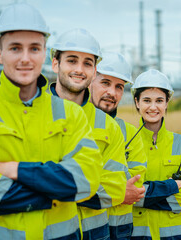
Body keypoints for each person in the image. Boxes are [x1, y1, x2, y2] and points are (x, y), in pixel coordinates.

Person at [0, 3, 102, 239]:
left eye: (34, 48)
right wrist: (56, 191)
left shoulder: (71, 115)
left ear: (44, 53)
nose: (25, 58)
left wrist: (15, 170)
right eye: (15, 48)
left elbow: (86, 181)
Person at [50, 28, 128, 240]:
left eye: (87, 63)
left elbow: (114, 190)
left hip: (95, 234)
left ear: (94, 71)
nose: (79, 69)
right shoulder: (30, 114)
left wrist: (47, 185)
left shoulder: (109, 127)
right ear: (56, 63)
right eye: (72, 61)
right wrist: (85, 184)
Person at [130, 69, 181, 240]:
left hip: (178, 236)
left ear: (167, 103)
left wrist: (145, 196)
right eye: (147, 100)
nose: (153, 107)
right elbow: (127, 195)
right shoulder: (127, 144)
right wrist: (170, 187)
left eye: (159, 100)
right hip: (140, 235)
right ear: (137, 102)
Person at [89, 51, 147, 239]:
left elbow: (134, 186)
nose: (112, 93)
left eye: (119, 87)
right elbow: (64, 183)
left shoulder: (130, 133)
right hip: (86, 229)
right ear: (90, 80)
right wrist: (118, 192)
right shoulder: (74, 125)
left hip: (120, 230)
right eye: (105, 83)